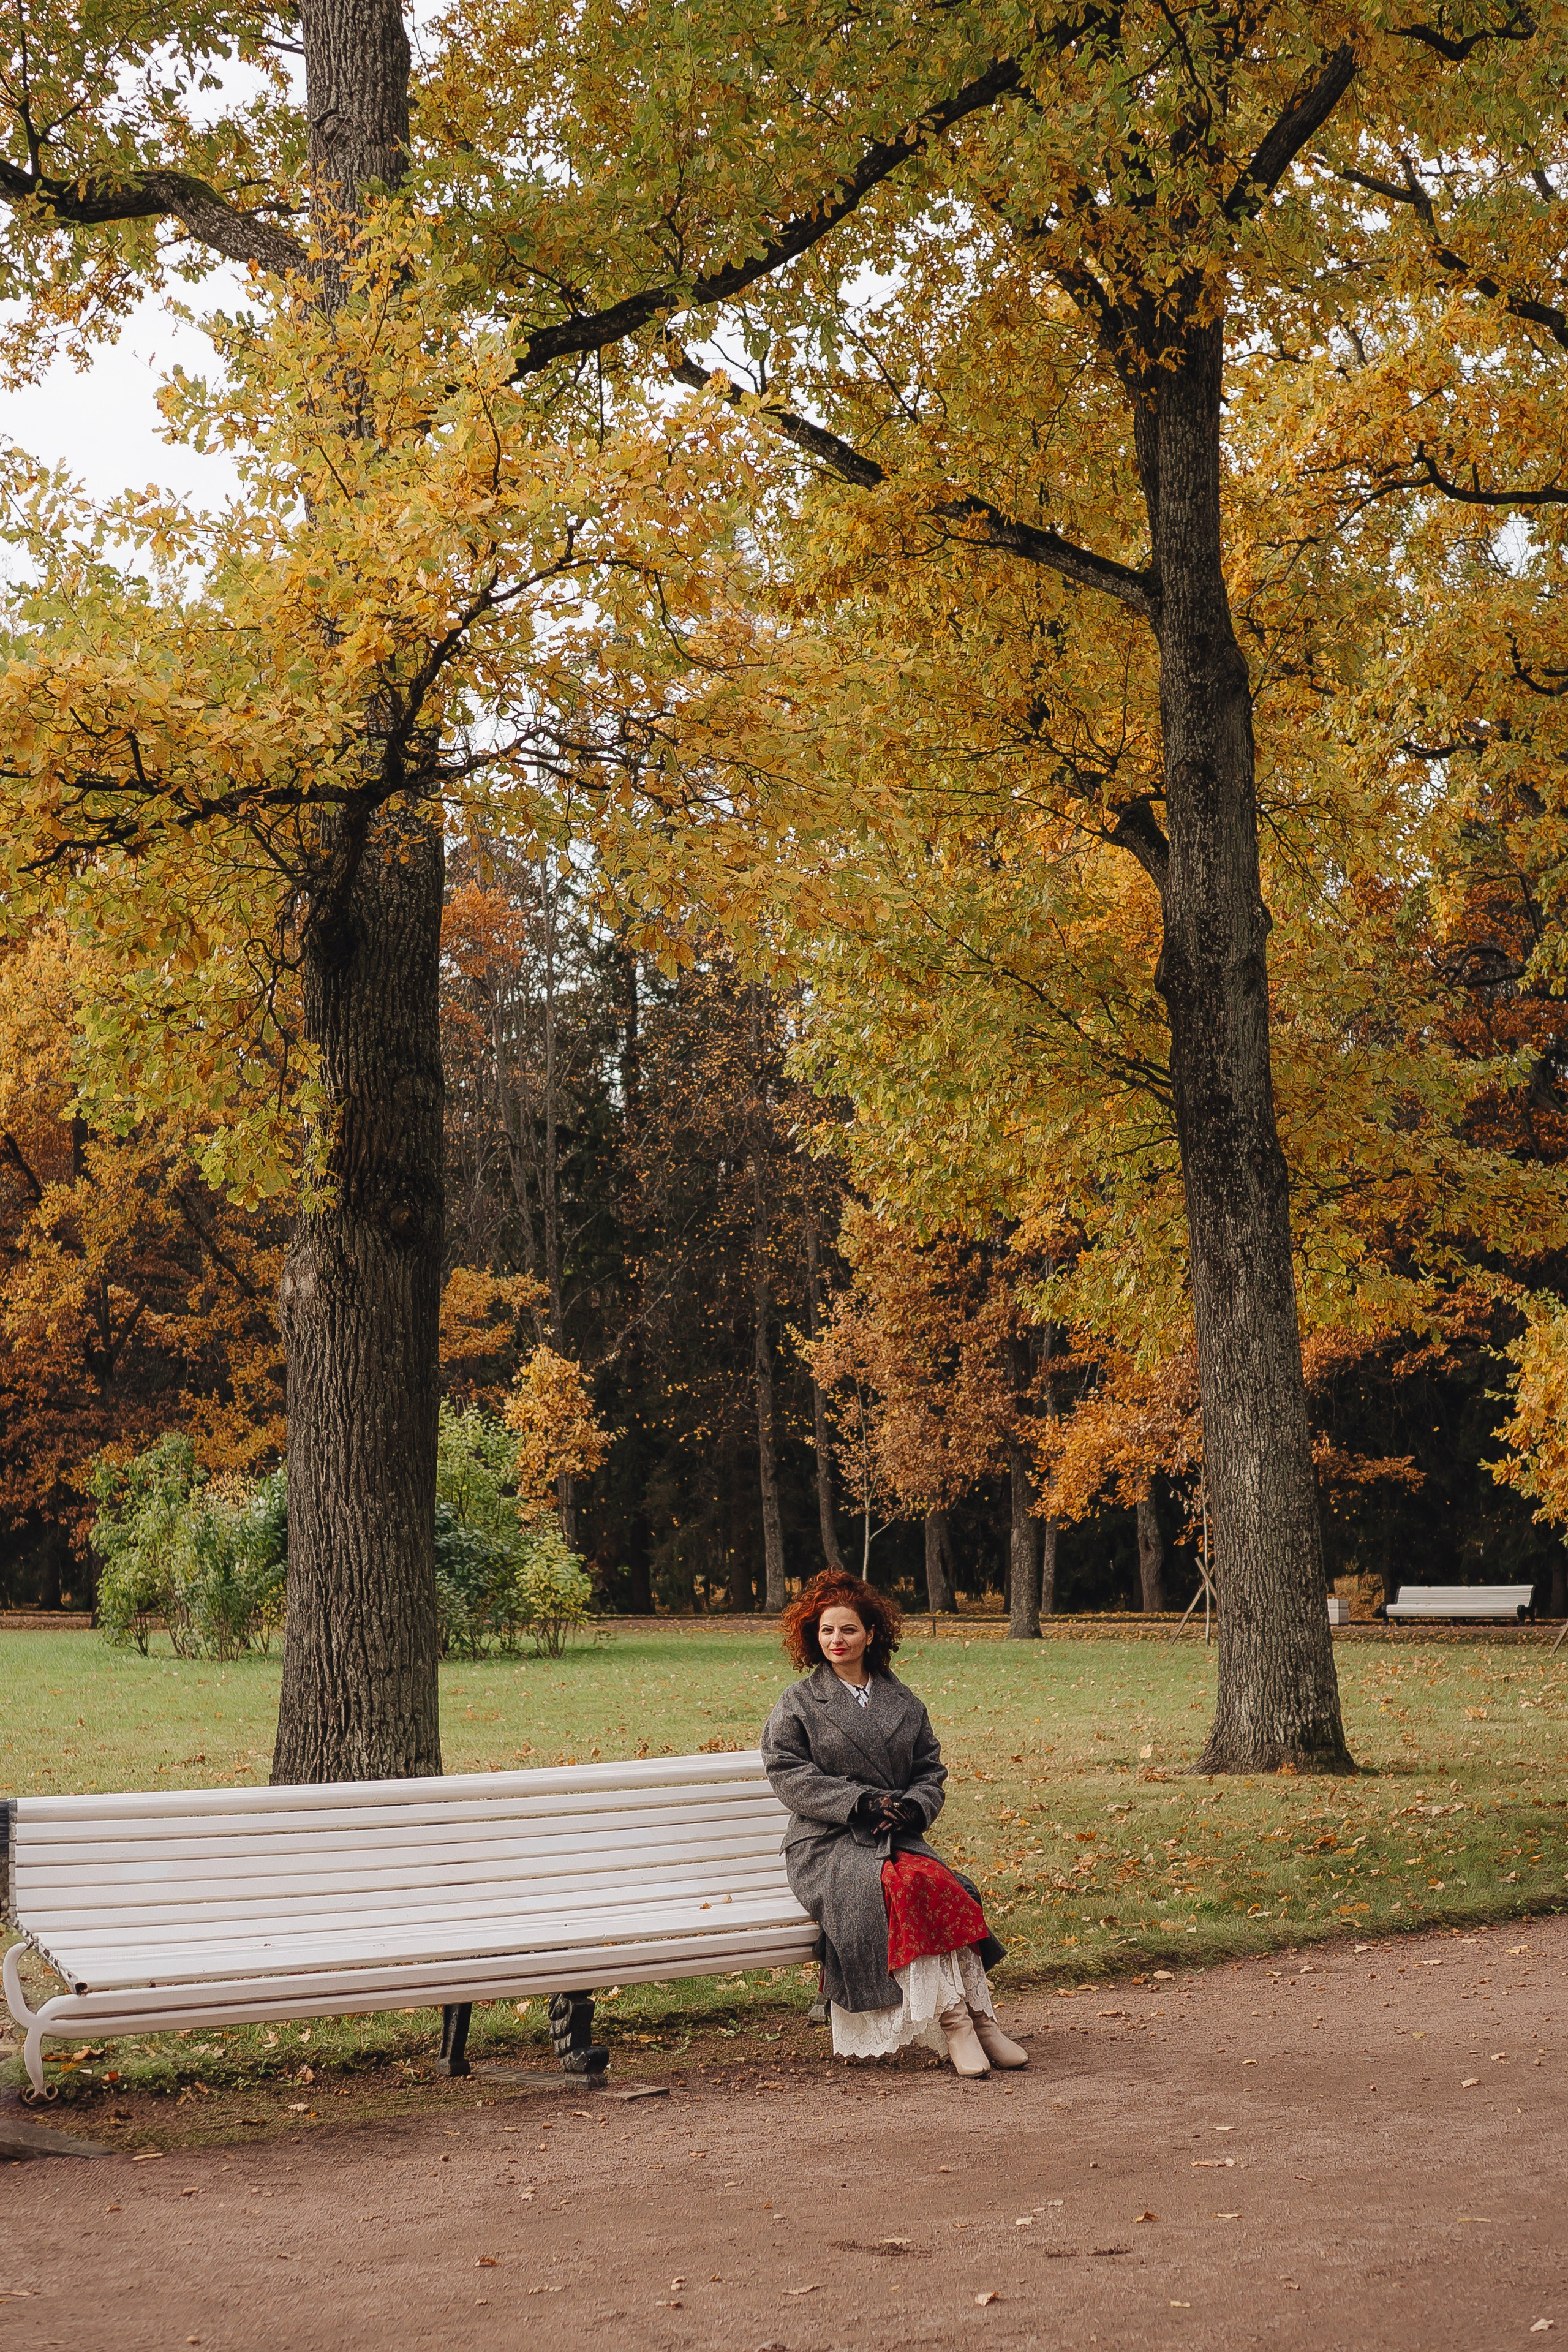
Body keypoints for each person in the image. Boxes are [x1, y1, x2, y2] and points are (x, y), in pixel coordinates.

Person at [761, 1569, 1029, 2077]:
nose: (837, 1640)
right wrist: (858, 1803)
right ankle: (957, 2025)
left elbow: (930, 1770)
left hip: (895, 1836)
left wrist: (913, 1806)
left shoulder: (903, 1701)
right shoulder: (799, 1702)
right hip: (827, 1842)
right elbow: (786, 1771)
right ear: (813, 1636)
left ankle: (982, 2020)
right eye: (826, 1630)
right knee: (902, 1889)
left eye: (848, 1630)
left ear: (871, 1634)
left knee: (939, 1883)